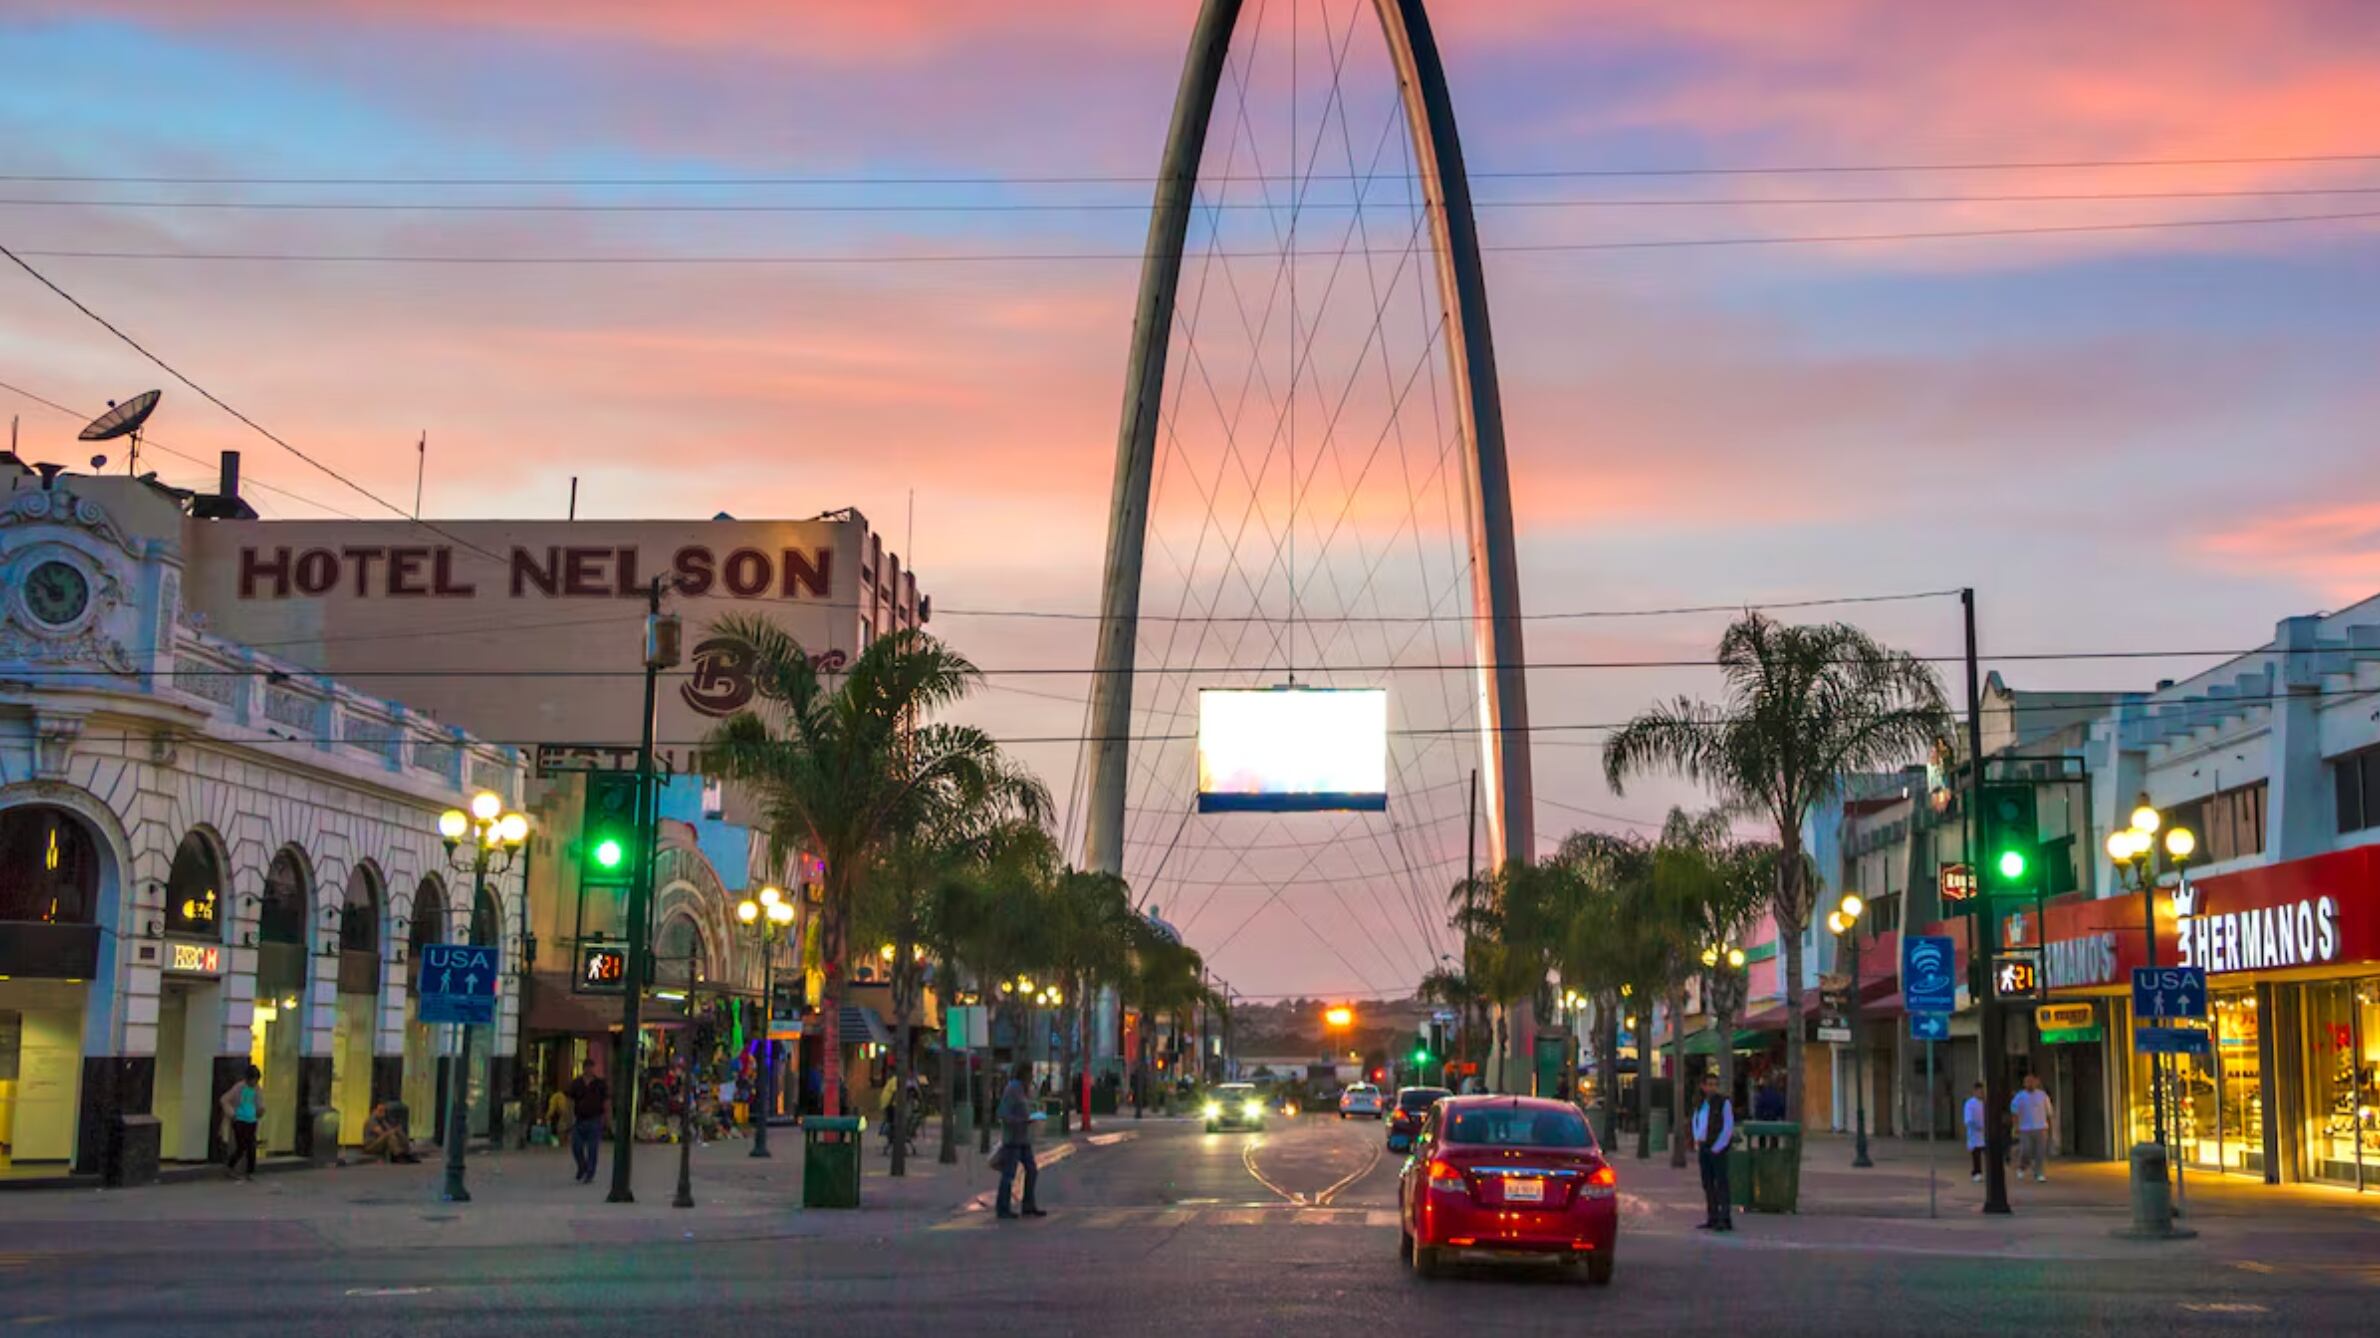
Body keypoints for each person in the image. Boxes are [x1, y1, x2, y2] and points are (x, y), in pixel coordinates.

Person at [995, 1062, 1045, 1220]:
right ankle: (1002, 1208)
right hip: (1013, 1139)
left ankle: (1028, 1205)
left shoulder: (1024, 1089)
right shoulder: (1013, 1089)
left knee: (1032, 1169)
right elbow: (1003, 1114)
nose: (1032, 1077)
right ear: (1024, 1074)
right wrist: (1021, 1120)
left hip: (1023, 1138)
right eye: (1030, 1074)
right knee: (1009, 1174)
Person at [1690, 1071, 1735, 1231]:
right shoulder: (1700, 1103)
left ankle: (1724, 1217)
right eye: (1709, 1085)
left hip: (1717, 1148)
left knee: (1721, 1183)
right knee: (1708, 1183)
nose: (1712, 1088)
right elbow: (1696, 1122)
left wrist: (1718, 1147)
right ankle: (1712, 1216)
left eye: (1715, 1085)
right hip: (1703, 1146)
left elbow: (1728, 1126)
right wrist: (1697, 1140)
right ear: (1703, 1086)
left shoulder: (1723, 1103)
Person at [564, 1061, 609, 1183]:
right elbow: (570, 1101)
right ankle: (582, 1166)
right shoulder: (576, 1083)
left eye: (591, 1067)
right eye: (587, 1067)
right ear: (583, 1068)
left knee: (592, 1148)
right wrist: (568, 1118)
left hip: (595, 1119)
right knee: (576, 1146)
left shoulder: (600, 1084)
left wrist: (607, 1118)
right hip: (579, 1119)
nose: (589, 1070)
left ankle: (590, 1172)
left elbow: (606, 1101)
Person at [218, 1063, 262, 1181]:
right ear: (248, 1078)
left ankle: (250, 1172)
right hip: (240, 1120)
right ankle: (230, 1166)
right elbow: (224, 1099)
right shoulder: (239, 1088)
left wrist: (260, 1110)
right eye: (253, 1080)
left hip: (251, 1120)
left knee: (251, 1146)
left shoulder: (257, 1089)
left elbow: (259, 1102)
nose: (254, 1083)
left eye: (256, 1080)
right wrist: (232, 1113)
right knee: (241, 1146)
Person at [2011, 1073, 2055, 1183]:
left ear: (2036, 1082)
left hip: (2041, 1127)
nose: (2030, 1084)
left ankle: (2039, 1172)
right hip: (2025, 1128)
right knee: (2026, 1149)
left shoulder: (2043, 1096)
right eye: (2027, 1082)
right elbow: (2014, 1112)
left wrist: (2050, 1128)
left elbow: (2049, 1113)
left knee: (2040, 1152)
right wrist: (2016, 1126)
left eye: (2032, 1081)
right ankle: (2022, 1166)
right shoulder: (2020, 1097)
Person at [1963, 1082, 1988, 1182]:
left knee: (1988, 1153)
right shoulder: (1970, 1103)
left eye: (1982, 1091)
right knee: (1976, 1154)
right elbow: (1968, 1120)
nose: (1981, 1093)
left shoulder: (1985, 1103)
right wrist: (1977, 1127)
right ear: (1974, 1092)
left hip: (1985, 1133)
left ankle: (1989, 1172)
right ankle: (1977, 1173)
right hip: (1974, 1134)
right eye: (1979, 1091)